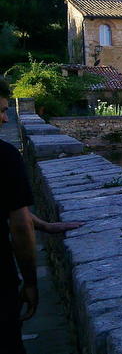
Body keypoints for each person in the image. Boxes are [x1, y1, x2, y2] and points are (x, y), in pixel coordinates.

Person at [1, 79, 82, 353]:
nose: (4, 119)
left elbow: (13, 209)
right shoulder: (5, 157)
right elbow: (20, 225)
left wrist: (44, 224)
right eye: (0, 111)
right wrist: (31, 283)